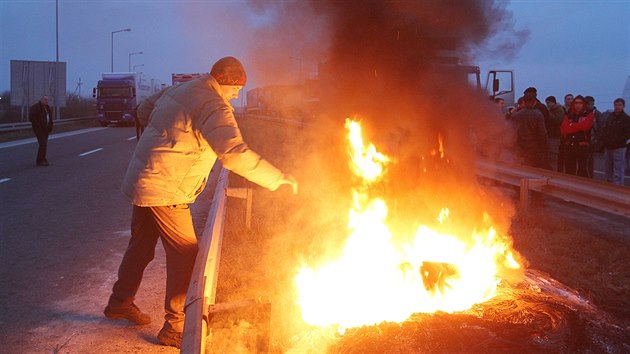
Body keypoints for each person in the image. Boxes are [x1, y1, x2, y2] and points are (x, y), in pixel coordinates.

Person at [103, 56, 298, 348]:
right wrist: (277, 178)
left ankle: (120, 302)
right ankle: (175, 326)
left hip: (144, 177)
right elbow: (232, 152)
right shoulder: (213, 104)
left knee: (141, 245)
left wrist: (169, 137)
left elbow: (143, 111)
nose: (235, 96)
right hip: (165, 188)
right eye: (236, 89)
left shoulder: (183, 89)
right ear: (226, 81)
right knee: (185, 255)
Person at [511, 92, 548, 168]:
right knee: (533, 171)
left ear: (524, 101)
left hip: (519, 148)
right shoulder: (538, 115)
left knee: (520, 169)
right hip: (533, 149)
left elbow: (512, 132)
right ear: (534, 102)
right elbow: (542, 134)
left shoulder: (516, 115)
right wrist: (544, 147)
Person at [560, 95, 594, 177]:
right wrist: (578, 126)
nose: (578, 105)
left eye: (580, 103)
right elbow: (564, 129)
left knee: (583, 170)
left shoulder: (588, 114)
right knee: (569, 170)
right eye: (576, 103)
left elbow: (585, 126)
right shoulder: (569, 114)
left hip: (582, 146)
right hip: (570, 145)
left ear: (583, 104)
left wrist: (571, 125)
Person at [600, 98, 630, 185]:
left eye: (619, 105)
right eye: (616, 105)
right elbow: (605, 129)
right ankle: (609, 185)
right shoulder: (610, 117)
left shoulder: (626, 119)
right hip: (609, 146)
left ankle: (618, 187)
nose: (617, 107)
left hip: (619, 147)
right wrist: (604, 140)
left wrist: (618, 141)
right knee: (608, 168)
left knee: (618, 169)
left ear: (623, 106)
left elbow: (627, 133)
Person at [28, 95, 54, 166]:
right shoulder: (36, 107)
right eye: (45, 99)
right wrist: (38, 125)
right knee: (43, 143)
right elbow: (31, 117)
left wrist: (50, 126)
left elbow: (50, 118)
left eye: (47, 100)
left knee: (44, 144)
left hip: (46, 129)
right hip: (39, 129)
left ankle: (42, 159)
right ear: (41, 99)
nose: (46, 101)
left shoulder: (47, 108)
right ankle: (40, 160)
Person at [584, 96, 603, 178]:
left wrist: (596, 140)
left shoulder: (597, 114)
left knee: (589, 161)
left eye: (588, 104)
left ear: (593, 103)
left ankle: (589, 178)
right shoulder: (584, 113)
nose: (587, 106)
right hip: (583, 140)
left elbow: (600, 129)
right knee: (583, 161)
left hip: (592, 141)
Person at [545, 95, 565, 171]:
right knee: (549, 157)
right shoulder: (552, 110)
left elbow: (558, 120)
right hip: (550, 136)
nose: (547, 105)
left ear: (553, 102)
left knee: (553, 157)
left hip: (555, 137)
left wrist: (548, 113)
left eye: (548, 103)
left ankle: (553, 175)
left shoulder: (559, 110)